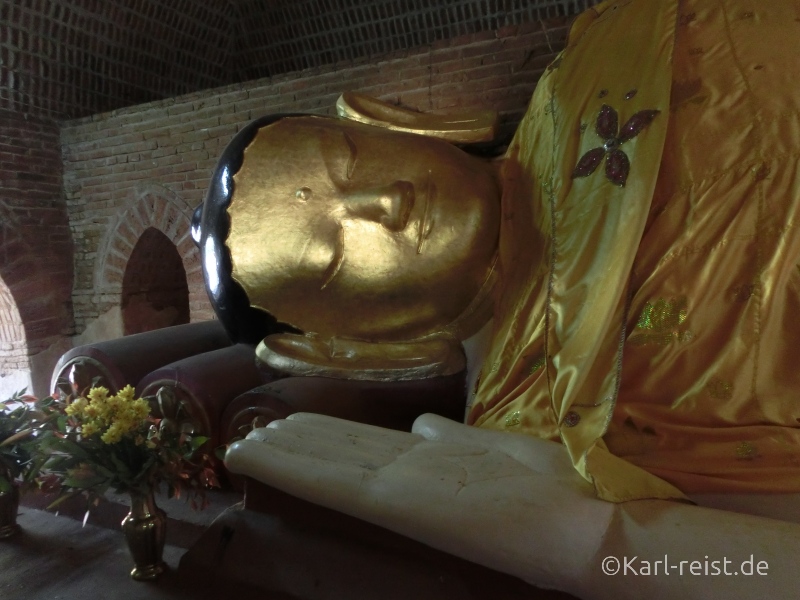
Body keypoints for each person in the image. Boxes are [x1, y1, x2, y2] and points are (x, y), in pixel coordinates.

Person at [221, 0, 800, 597]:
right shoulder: (533, 436)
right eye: (336, 254)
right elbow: (752, 569)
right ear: (352, 351)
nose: (383, 203)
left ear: (399, 124)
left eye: (354, 158)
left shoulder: (604, 47)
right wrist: (592, 538)